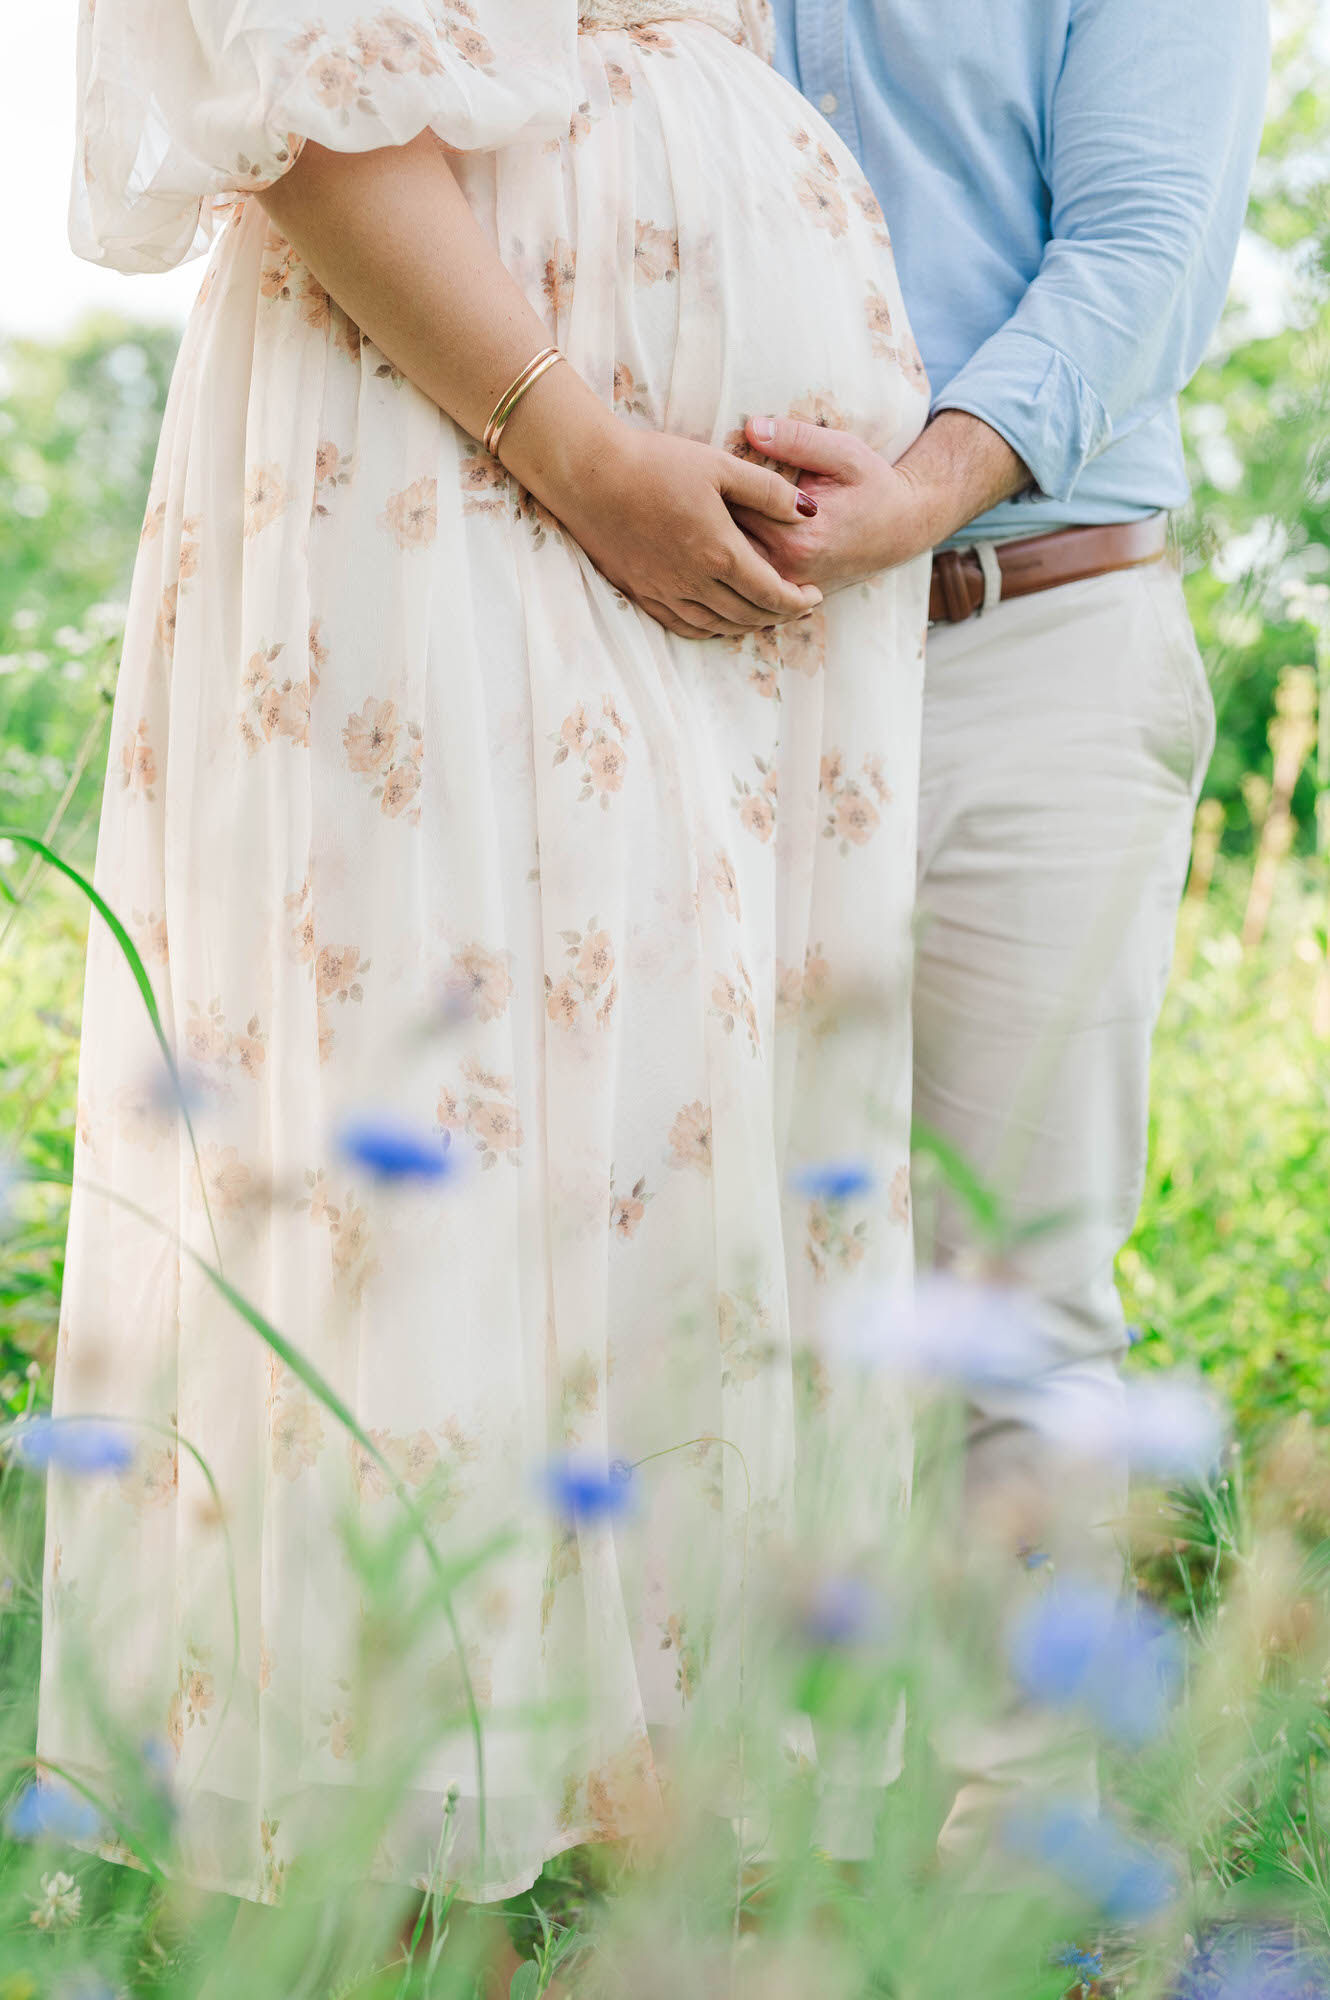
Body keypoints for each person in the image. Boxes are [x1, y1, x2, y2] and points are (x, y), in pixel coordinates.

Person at [38, 0, 930, 1916]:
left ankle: (648, 1888)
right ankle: (420, 1902)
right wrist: (580, 440)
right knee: (434, 1136)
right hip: (456, 417)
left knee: (678, 1162)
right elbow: (294, 62)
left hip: (711, 530)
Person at [746, 0, 1270, 1855]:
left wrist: (916, 491)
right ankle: (731, 1840)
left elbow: (1144, 249)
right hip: (701, 659)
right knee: (698, 1249)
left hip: (1020, 638)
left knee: (1011, 1285)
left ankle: (1008, 1872)